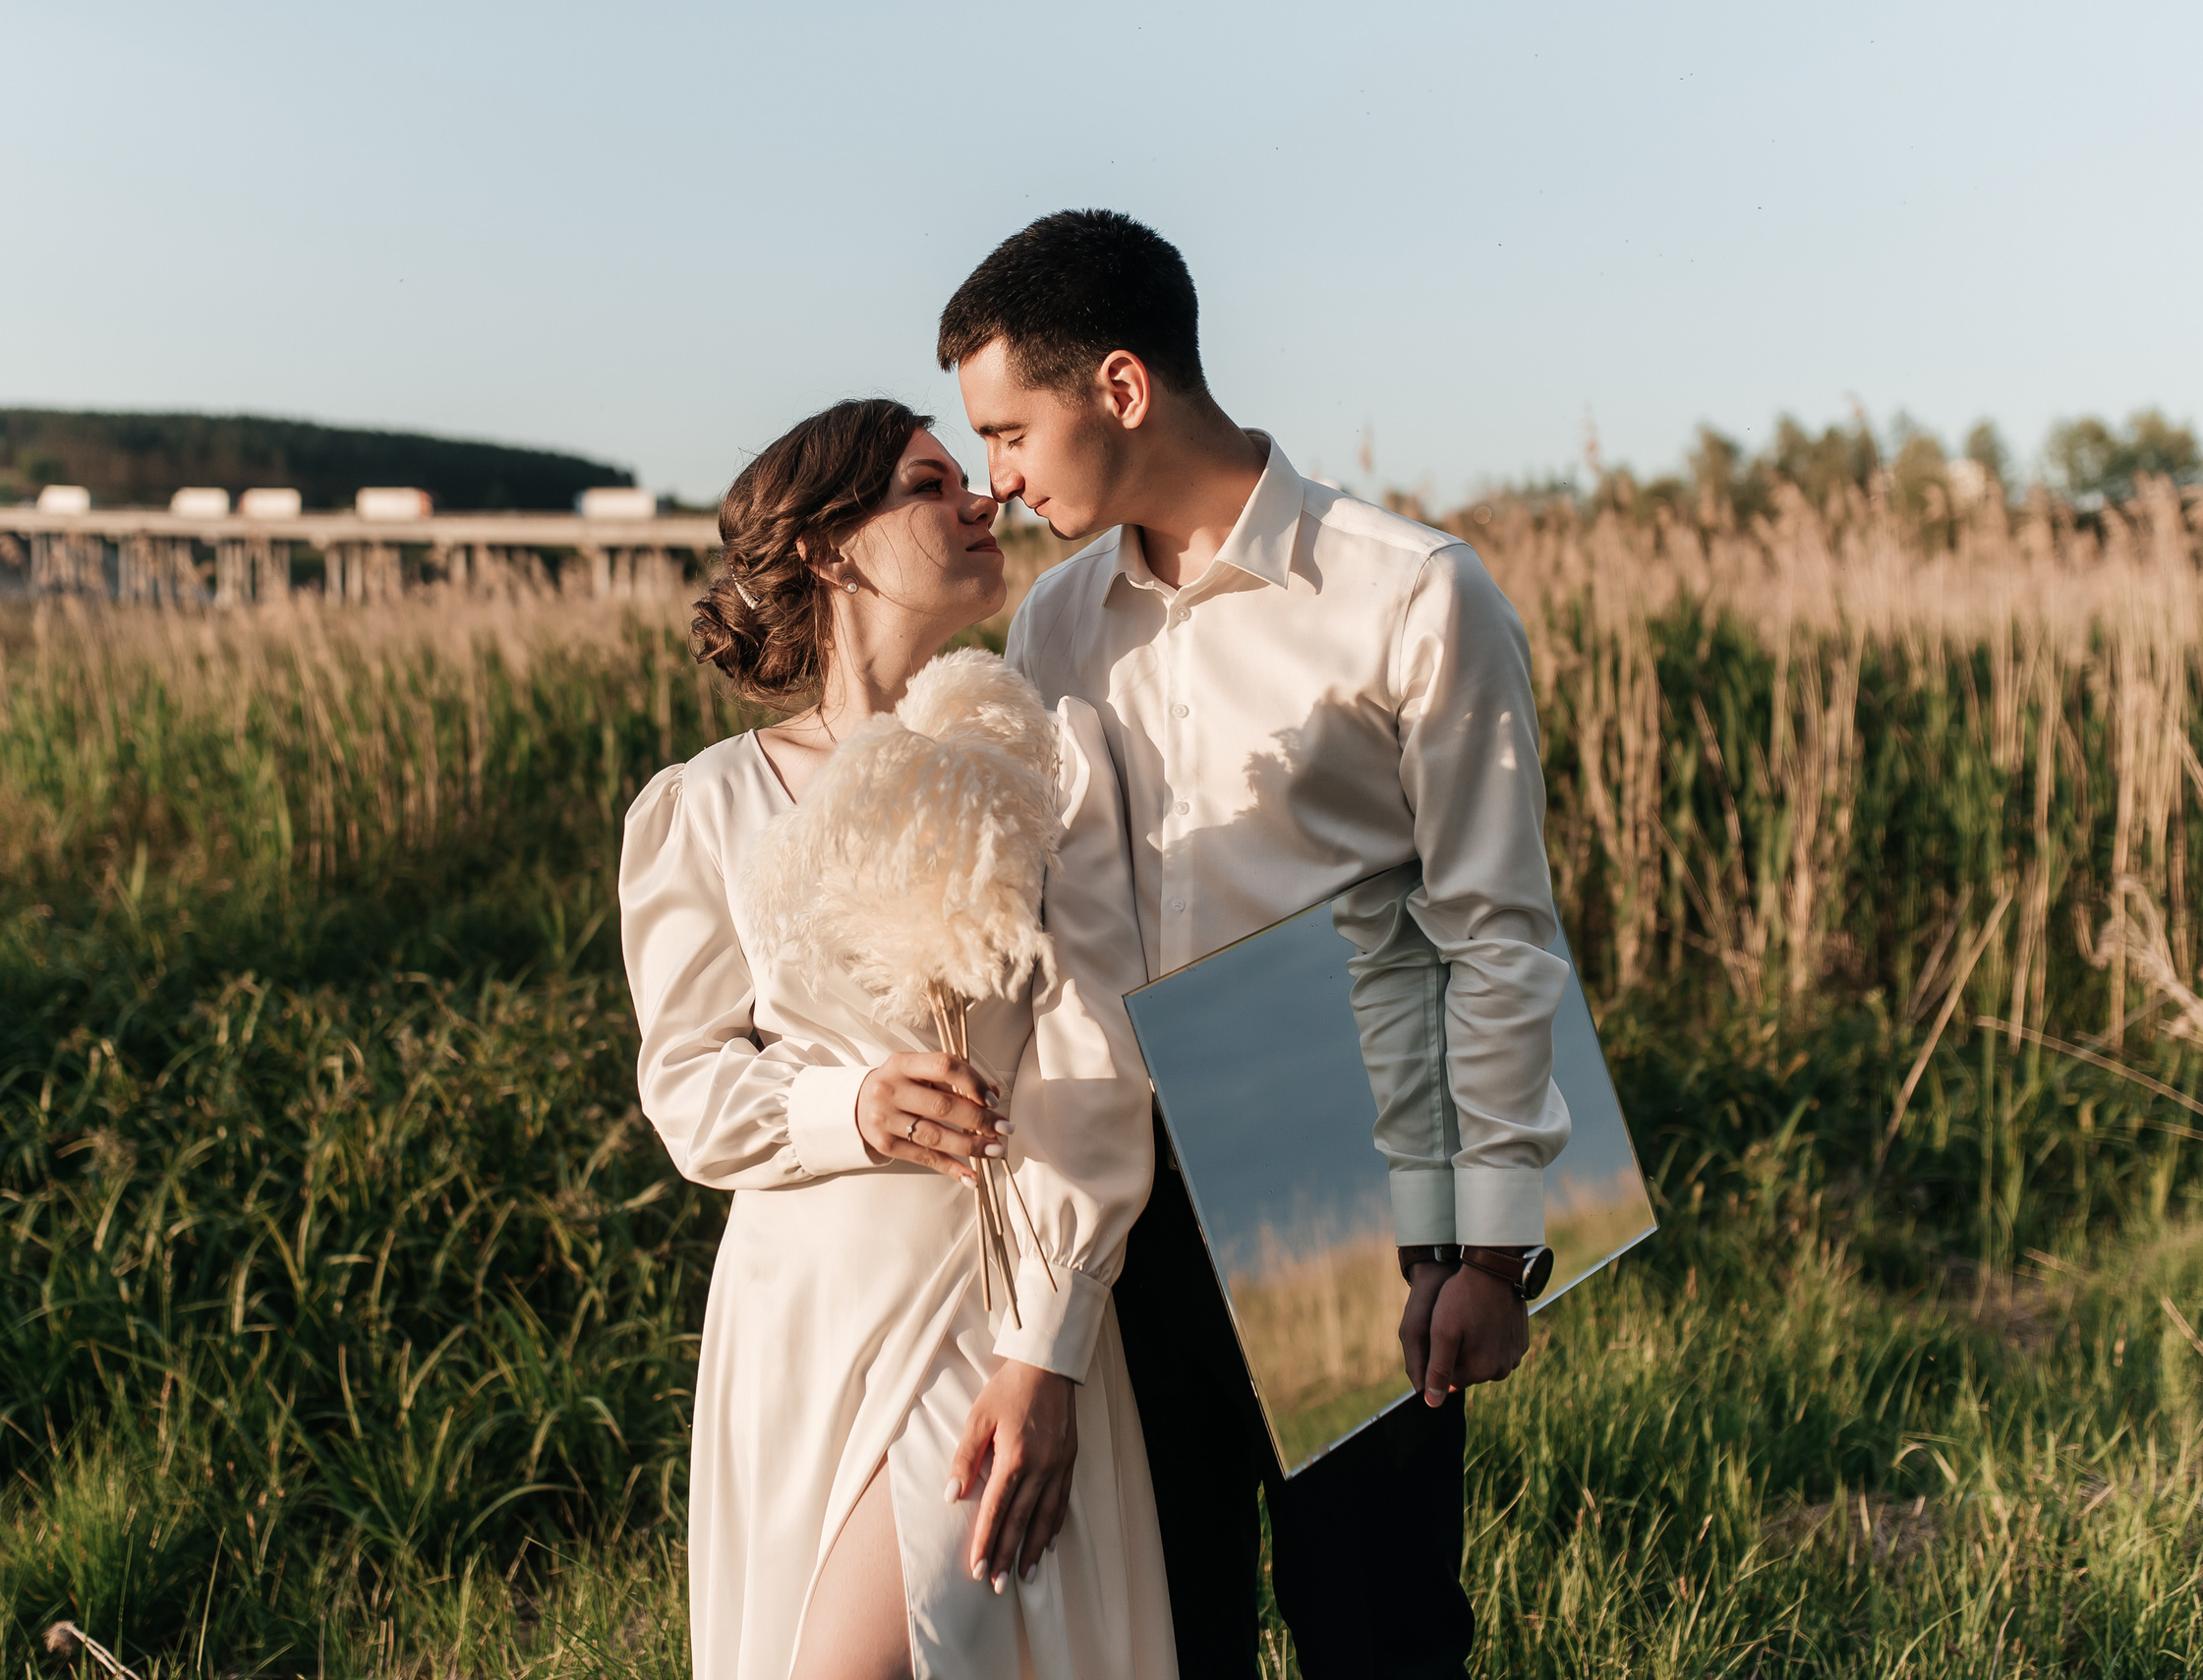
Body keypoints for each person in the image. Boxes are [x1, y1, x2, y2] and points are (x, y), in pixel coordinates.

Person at [942, 210, 1571, 1680]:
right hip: (1128, 1196)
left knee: (1379, 1627)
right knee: (1174, 1625)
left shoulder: (1410, 589)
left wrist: (1491, 1246)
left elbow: (1497, 922)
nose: (998, 477)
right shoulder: (1052, 628)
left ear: (1117, 385)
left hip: (1342, 1177)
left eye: (1008, 429)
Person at [617, 397, 1176, 1680]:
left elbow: (1092, 1060)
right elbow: (688, 1084)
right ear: (827, 547)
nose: (984, 498)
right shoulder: (702, 809)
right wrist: (846, 1107)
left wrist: (1050, 1338)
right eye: (932, 483)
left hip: (994, 1296)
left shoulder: (1044, 764)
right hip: (805, 1306)